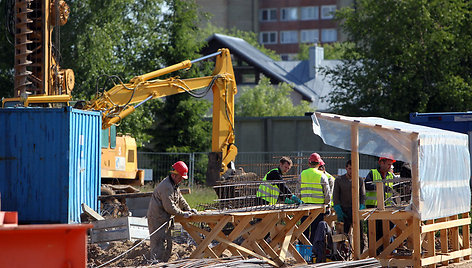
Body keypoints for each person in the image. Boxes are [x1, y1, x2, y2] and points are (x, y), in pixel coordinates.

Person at [147, 161, 197, 262]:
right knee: (158, 245)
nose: (181, 180)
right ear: (174, 175)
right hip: (157, 220)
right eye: (180, 178)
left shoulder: (174, 184)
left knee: (168, 243)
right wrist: (183, 214)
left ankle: (165, 263)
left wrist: (188, 209)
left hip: (165, 219)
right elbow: (169, 207)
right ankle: (155, 263)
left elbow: (180, 199)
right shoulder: (166, 186)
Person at [299, 153, 331, 259]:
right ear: (319, 163)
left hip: (304, 208)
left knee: (303, 230)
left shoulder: (302, 174)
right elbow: (327, 194)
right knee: (316, 232)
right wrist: (328, 206)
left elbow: (297, 191)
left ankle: (303, 255)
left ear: (309, 163)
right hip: (318, 209)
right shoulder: (322, 175)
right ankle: (313, 254)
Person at [332, 160, 366, 251]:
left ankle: (360, 252)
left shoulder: (359, 180)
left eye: (354, 169)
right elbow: (335, 196)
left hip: (356, 210)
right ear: (346, 168)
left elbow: (363, 195)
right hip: (344, 210)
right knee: (343, 235)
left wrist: (361, 206)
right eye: (350, 168)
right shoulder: (339, 180)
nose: (351, 171)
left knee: (360, 234)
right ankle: (342, 252)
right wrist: (338, 209)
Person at [364, 157, 395, 255]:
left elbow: (395, 189)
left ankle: (386, 254)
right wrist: (381, 187)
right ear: (381, 163)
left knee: (387, 234)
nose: (390, 166)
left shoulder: (391, 175)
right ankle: (374, 255)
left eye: (391, 165)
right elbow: (367, 185)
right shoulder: (372, 173)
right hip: (373, 209)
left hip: (387, 209)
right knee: (374, 235)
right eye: (388, 164)